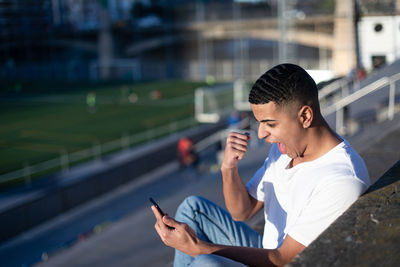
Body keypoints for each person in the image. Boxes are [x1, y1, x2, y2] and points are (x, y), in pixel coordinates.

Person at [151, 63, 370, 266]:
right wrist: (228, 168)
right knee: (192, 209)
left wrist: (198, 248)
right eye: (260, 123)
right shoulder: (284, 150)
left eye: (270, 124)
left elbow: (282, 259)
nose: (261, 133)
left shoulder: (341, 179)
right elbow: (242, 212)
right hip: (268, 249)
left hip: (284, 260)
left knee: (204, 262)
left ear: (305, 116)